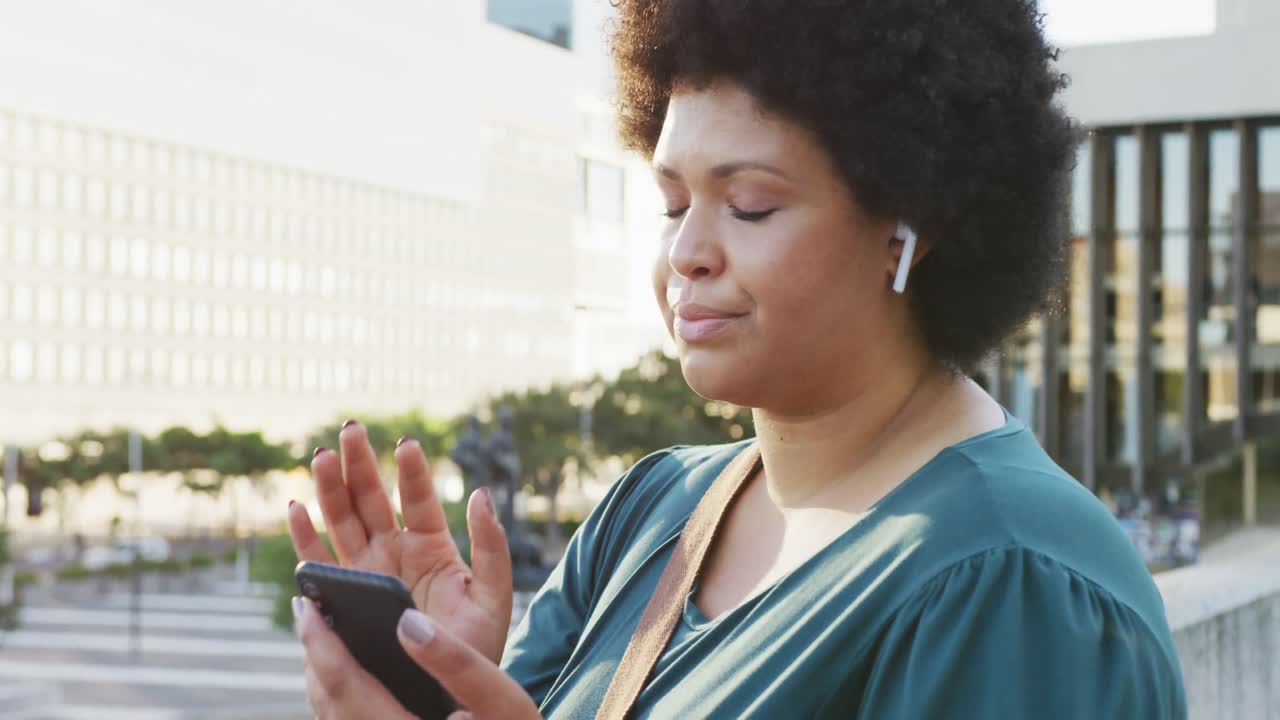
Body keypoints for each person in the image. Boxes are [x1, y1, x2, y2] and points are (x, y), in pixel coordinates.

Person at [286, 0, 1187, 717]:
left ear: (910, 228)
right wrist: (425, 685)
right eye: (674, 202)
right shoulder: (652, 510)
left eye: (749, 205)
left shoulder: (1011, 584)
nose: (688, 253)